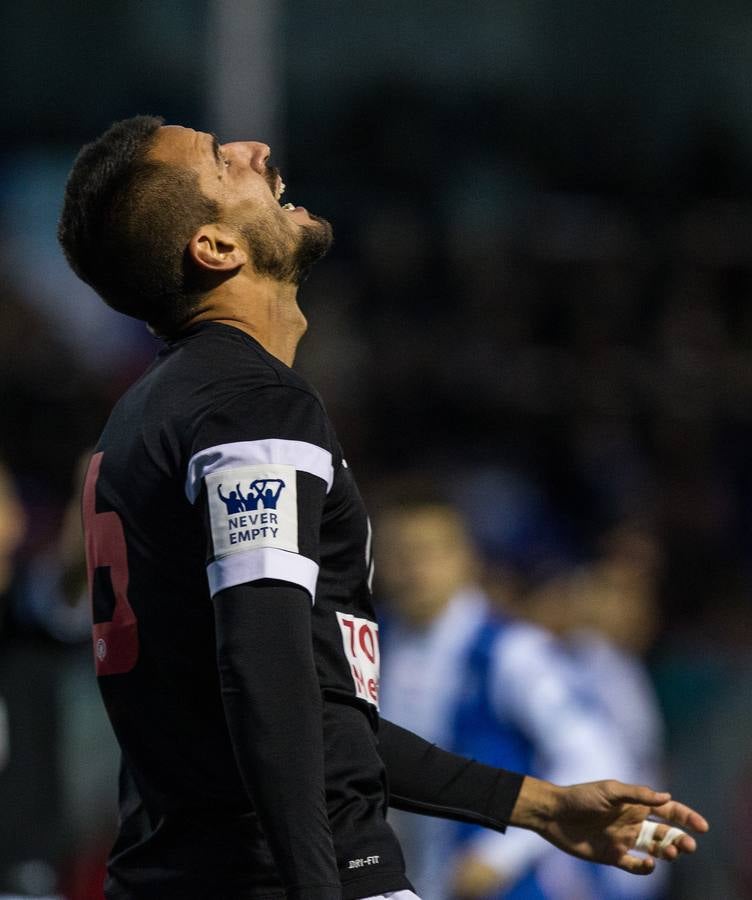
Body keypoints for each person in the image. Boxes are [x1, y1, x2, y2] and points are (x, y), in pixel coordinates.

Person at [57, 115, 707, 900]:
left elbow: (311, 711)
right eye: (221, 163)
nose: (256, 151)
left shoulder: (142, 419)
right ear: (216, 249)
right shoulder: (251, 406)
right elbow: (266, 676)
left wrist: (536, 807)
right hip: (282, 877)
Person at [377, 495, 665, 900]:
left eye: (428, 551)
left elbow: (597, 757)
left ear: (466, 558)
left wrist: (500, 854)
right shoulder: (371, 646)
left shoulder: (510, 652)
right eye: (398, 553)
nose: (414, 568)